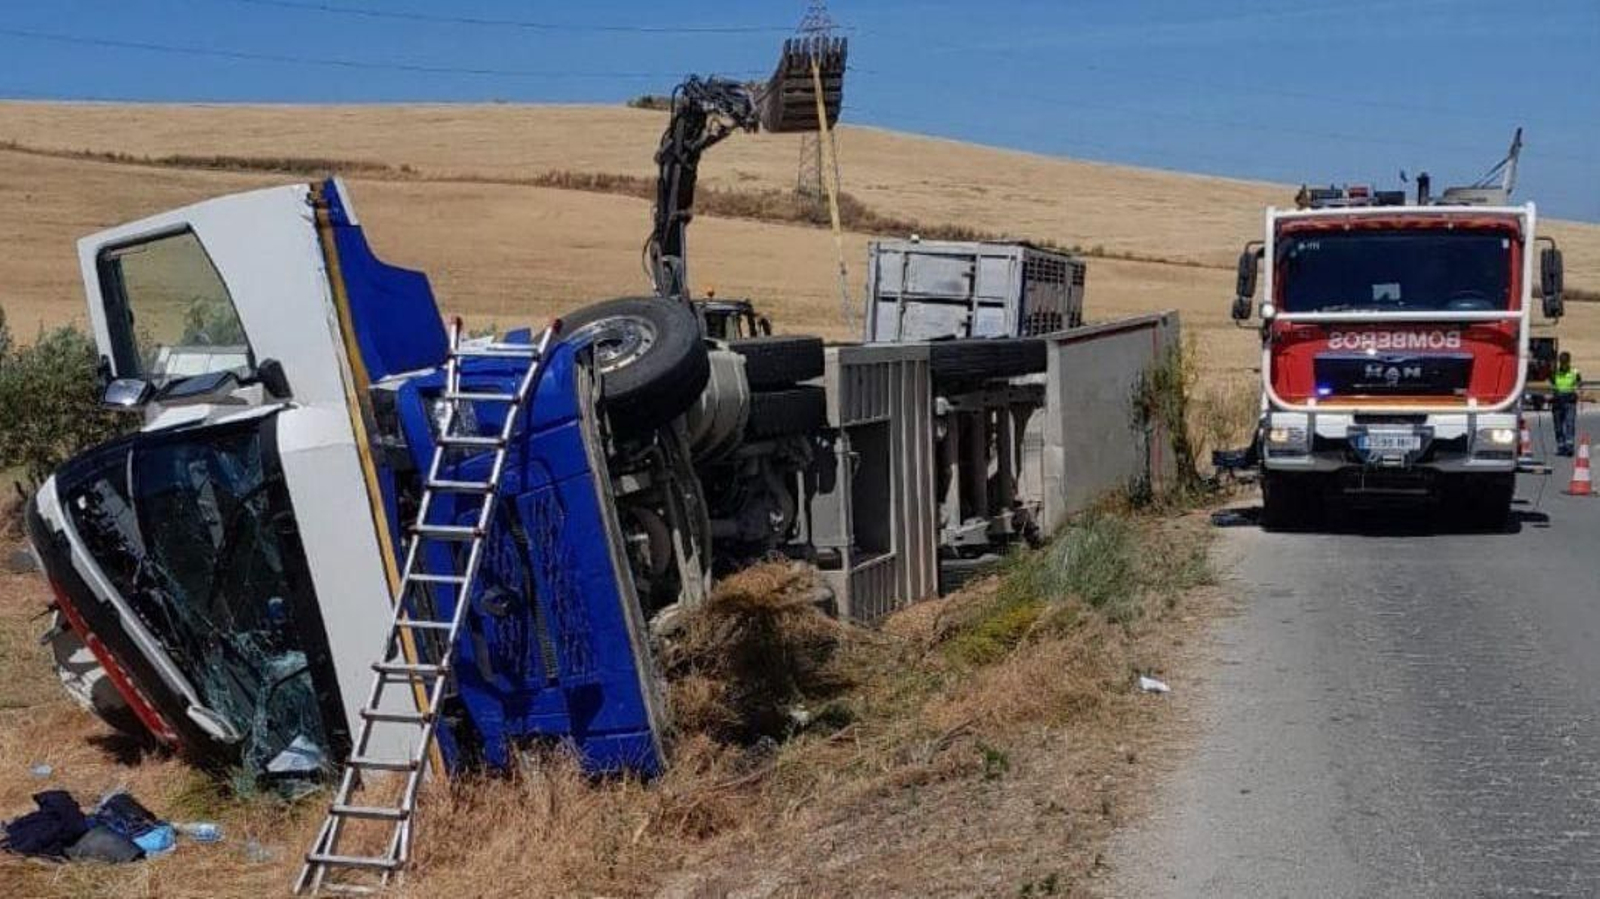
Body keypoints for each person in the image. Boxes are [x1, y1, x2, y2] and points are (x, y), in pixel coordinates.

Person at [1551, 351, 1582, 456]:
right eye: (1562, 362)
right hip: (1557, 402)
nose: (1563, 364)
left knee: (1570, 423)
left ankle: (1569, 446)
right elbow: (1550, 385)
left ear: (1569, 362)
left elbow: (1579, 385)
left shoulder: (1575, 372)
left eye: (1565, 362)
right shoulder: (1555, 373)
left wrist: (1579, 392)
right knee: (1558, 426)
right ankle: (1561, 446)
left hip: (1570, 402)